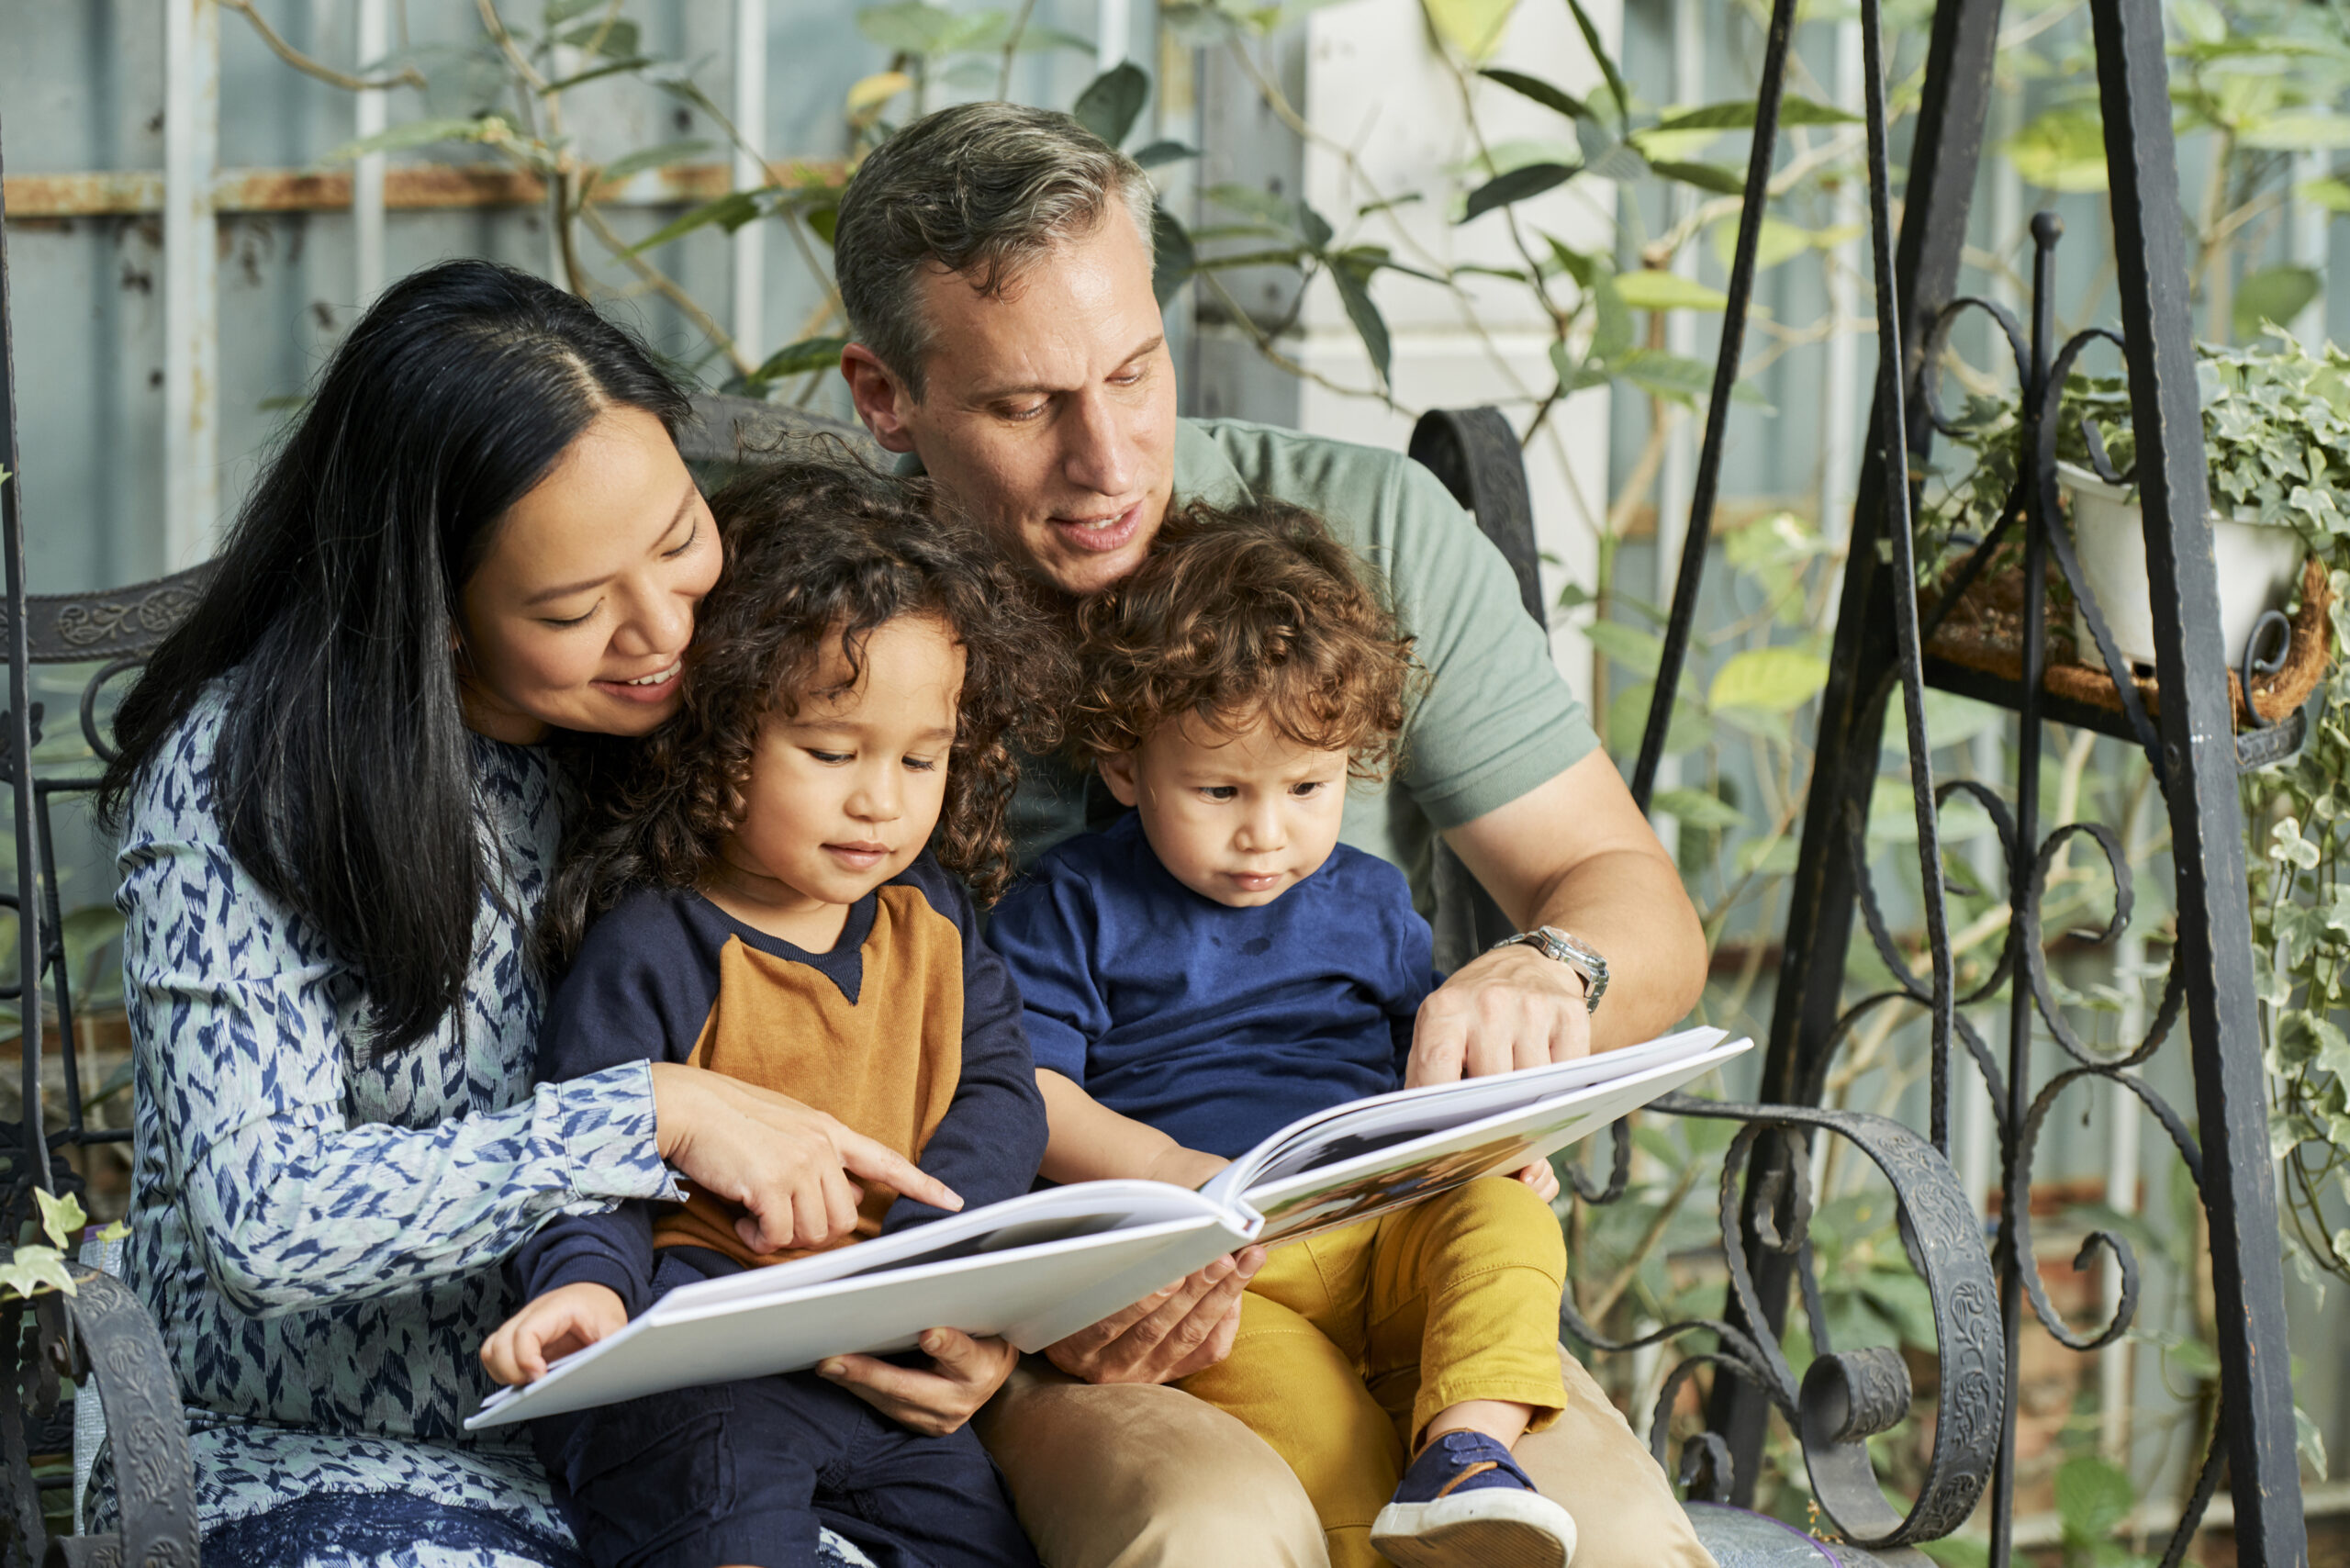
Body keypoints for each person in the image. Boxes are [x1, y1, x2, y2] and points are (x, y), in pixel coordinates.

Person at [831, 102, 1718, 1568]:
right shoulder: (828, 629)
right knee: (1221, 1530)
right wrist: (1015, 1291)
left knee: (1607, 1542)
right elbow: (747, 1030)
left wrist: (1548, 974)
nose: (1109, 459)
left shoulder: (1360, 534)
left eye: (1135, 370)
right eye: (1024, 405)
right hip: (1066, 1301)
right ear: (885, 396)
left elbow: (1638, 910)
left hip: (1388, 1254)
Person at [102, 261, 950, 1568]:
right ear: (437, 616)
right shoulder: (243, 789)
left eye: (677, 541)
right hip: (303, 1448)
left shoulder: (714, 716)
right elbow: (265, 1221)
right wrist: (647, 1113)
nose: (665, 627)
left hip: (671, 1435)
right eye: (571, 608)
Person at [480, 459, 1059, 1568]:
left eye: (920, 757)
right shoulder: (653, 943)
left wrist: (937, 1252)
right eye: (831, 751)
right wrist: (587, 1292)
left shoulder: (930, 914)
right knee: (721, 1525)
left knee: (986, 1543)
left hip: (884, 1365)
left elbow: (998, 1089)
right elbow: (588, 1154)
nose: (879, 799)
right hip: (696, 1375)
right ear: (720, 734)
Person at [987, 499, 1580, 1568]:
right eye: (1218, 790)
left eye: (1308, 787)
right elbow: (1026, 1090)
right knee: (1333, 1448)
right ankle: (1392, 1522)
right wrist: (1167, 1170)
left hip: (1386, 1214)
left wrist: (1496, 1139)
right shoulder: (1072, 900)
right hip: (1222, 1265)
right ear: (1126, 768)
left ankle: (1468, 1456)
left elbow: (1430, 1066)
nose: (1267, 833)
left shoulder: (1367, 895)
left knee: (1510, 1226)